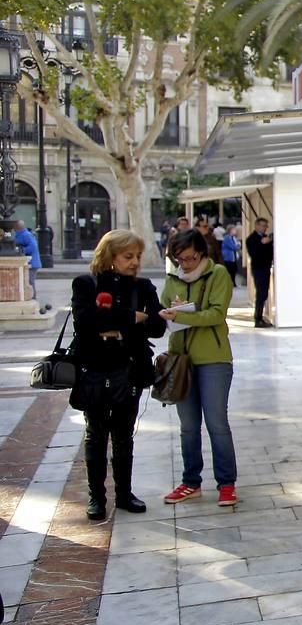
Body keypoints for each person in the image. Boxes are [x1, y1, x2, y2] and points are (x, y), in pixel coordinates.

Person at [71, 229, 166, 521]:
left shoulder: (145, 287)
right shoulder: (86, 284)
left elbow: (157, 327)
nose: (135, 261)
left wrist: (115, 324)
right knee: (96, 434)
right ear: (110, 256)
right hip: (94, 368)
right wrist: (130, 318)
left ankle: (124, 494)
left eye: (137, 256)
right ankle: (96, 498)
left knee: (124, 435)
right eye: (128, 256)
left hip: (130, 368)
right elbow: (85, 322)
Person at [160, 229, 239, 507]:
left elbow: (217, 314)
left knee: (217, 423)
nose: (186, 264)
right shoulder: (172, 279)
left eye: (191, 258)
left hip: (213, 358)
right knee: (188, 426)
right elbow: (164, 310)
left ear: (202, 253)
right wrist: (168, 314)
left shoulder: (217, 274)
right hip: (181, 359)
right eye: (180, 259)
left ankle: (227, 483)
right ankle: (190, 481)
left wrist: (182, 314)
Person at [245, 218, 274, 327]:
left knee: (264, 293)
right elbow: (254, 254)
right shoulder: (251, 239)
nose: (265, 228)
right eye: (263, 225)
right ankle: (258, 319)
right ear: (257, 225)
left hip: (266, 268)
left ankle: (261, 317)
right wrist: (262, 244)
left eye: (266, 226)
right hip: (259, 269)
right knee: (261, 294)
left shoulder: (265, 238)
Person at [13, 220, 41, 303]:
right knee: (27, 281)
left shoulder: (26, 235)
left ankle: (33, 299)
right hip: (30, 263)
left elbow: (33, 247)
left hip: (31, 263)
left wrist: (21, 250)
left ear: (17, 227)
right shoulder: (22, 234)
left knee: (30, 282)